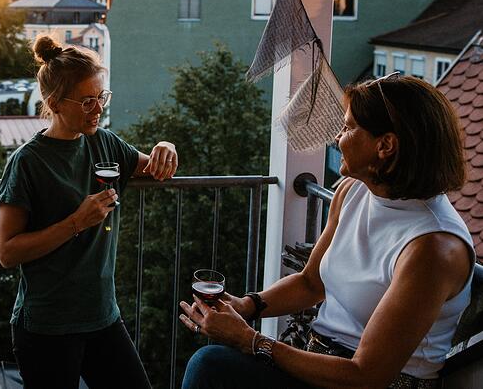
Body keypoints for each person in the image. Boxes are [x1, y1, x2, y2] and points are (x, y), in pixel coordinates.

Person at [179, 72, 474, 389]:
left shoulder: (432, 248)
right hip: (320, 361)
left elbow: (367, 375)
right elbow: (310, 283)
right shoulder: (353, 191)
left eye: (349, 128)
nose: (337, 137)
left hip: (365, 381)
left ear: (385, 145)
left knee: (210, 365)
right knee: (214, 353)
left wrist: (250, 340)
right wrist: (246, 306)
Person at [0, 35, 178, 389]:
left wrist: (166, 146)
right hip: (47, 327)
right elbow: (7, 252)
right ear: (55, 103)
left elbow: (157, 167)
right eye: (87, 101)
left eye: (101, 97)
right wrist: (76, 222)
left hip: (102, 317)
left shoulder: (104, 142)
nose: (98, 109)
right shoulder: (27, 163)